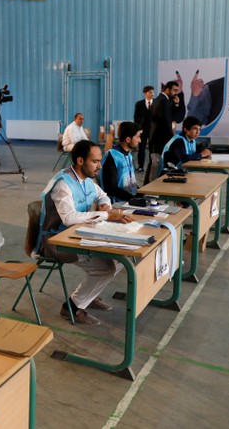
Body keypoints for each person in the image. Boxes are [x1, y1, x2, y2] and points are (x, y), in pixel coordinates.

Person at [37, 140, 133, 325]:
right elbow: (69, 218)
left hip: (80, 236)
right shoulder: (63, 184)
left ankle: (88, 296)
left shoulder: (88, 181)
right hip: (57, 242)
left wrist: (106, 203)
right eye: (95, 161)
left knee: (121, 257)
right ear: (80, 161)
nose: (100, 165)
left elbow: (101, 194)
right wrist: (106, 214)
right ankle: (71, 307)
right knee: (106, 268)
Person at [146, 78, 186, 181]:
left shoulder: (162, 100)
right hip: (160, 139)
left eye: (177, 91)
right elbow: (166, 123)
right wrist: (172, 140)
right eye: (174, 90)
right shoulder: (162, 102)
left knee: (154, 165)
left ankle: (148, 187)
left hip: (157, 138)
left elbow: (174, 118)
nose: (176, 93)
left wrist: (177, 104)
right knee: (156, 165)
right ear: (167, 90)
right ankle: (150, 189)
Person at [100, 121, 141, 203]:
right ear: (128, 139)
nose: (140, 140)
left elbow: (131, 182)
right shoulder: (112, 156)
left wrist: (141, 194)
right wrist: (133, 199)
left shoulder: (129, 155)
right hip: (117, 204)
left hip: (129, 200)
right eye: (137, 137)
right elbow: (111, 189)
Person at [133, 85, 154, 172]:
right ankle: (140, 166)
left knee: (152, 148)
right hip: (143, 129)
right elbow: (136, 117)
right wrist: (138, 128)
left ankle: (152, 165)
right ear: (145, 93)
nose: (152, 94)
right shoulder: (139, 104)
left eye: (153, 92)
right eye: (150, 92)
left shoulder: (156, 103)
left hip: (153, 129)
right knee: (141, 148)